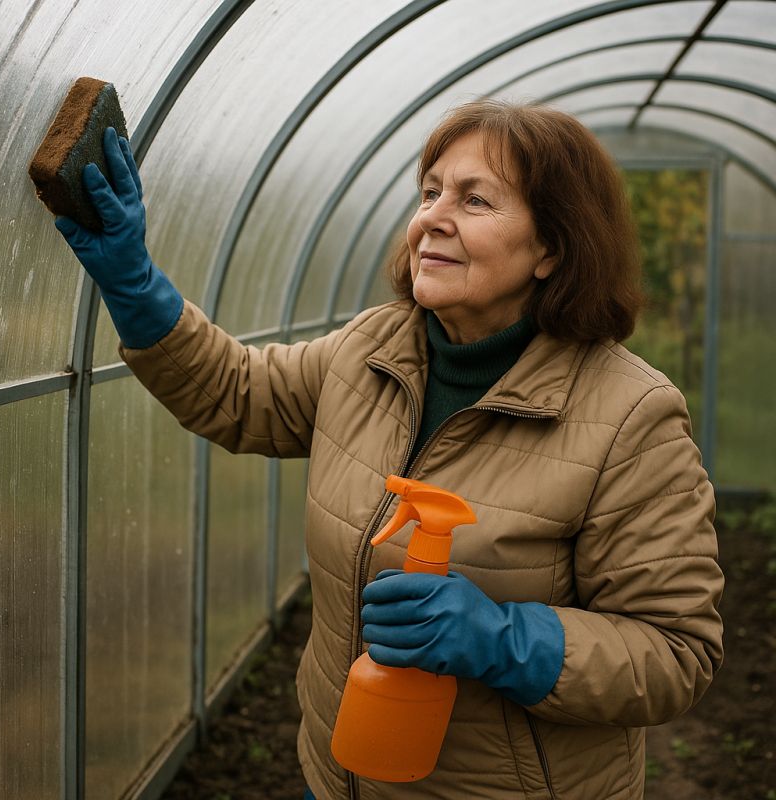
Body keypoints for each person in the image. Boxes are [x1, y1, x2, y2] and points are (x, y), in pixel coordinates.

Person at [55, 100, 724, 800]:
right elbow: (237, 392)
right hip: (338, 772)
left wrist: (503, 638)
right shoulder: (374, 348)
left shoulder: (629, 416)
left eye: (475, 200)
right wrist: (134, 282)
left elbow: (676, 652)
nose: (433, 217)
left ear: (552, 248)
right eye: (430, 192)